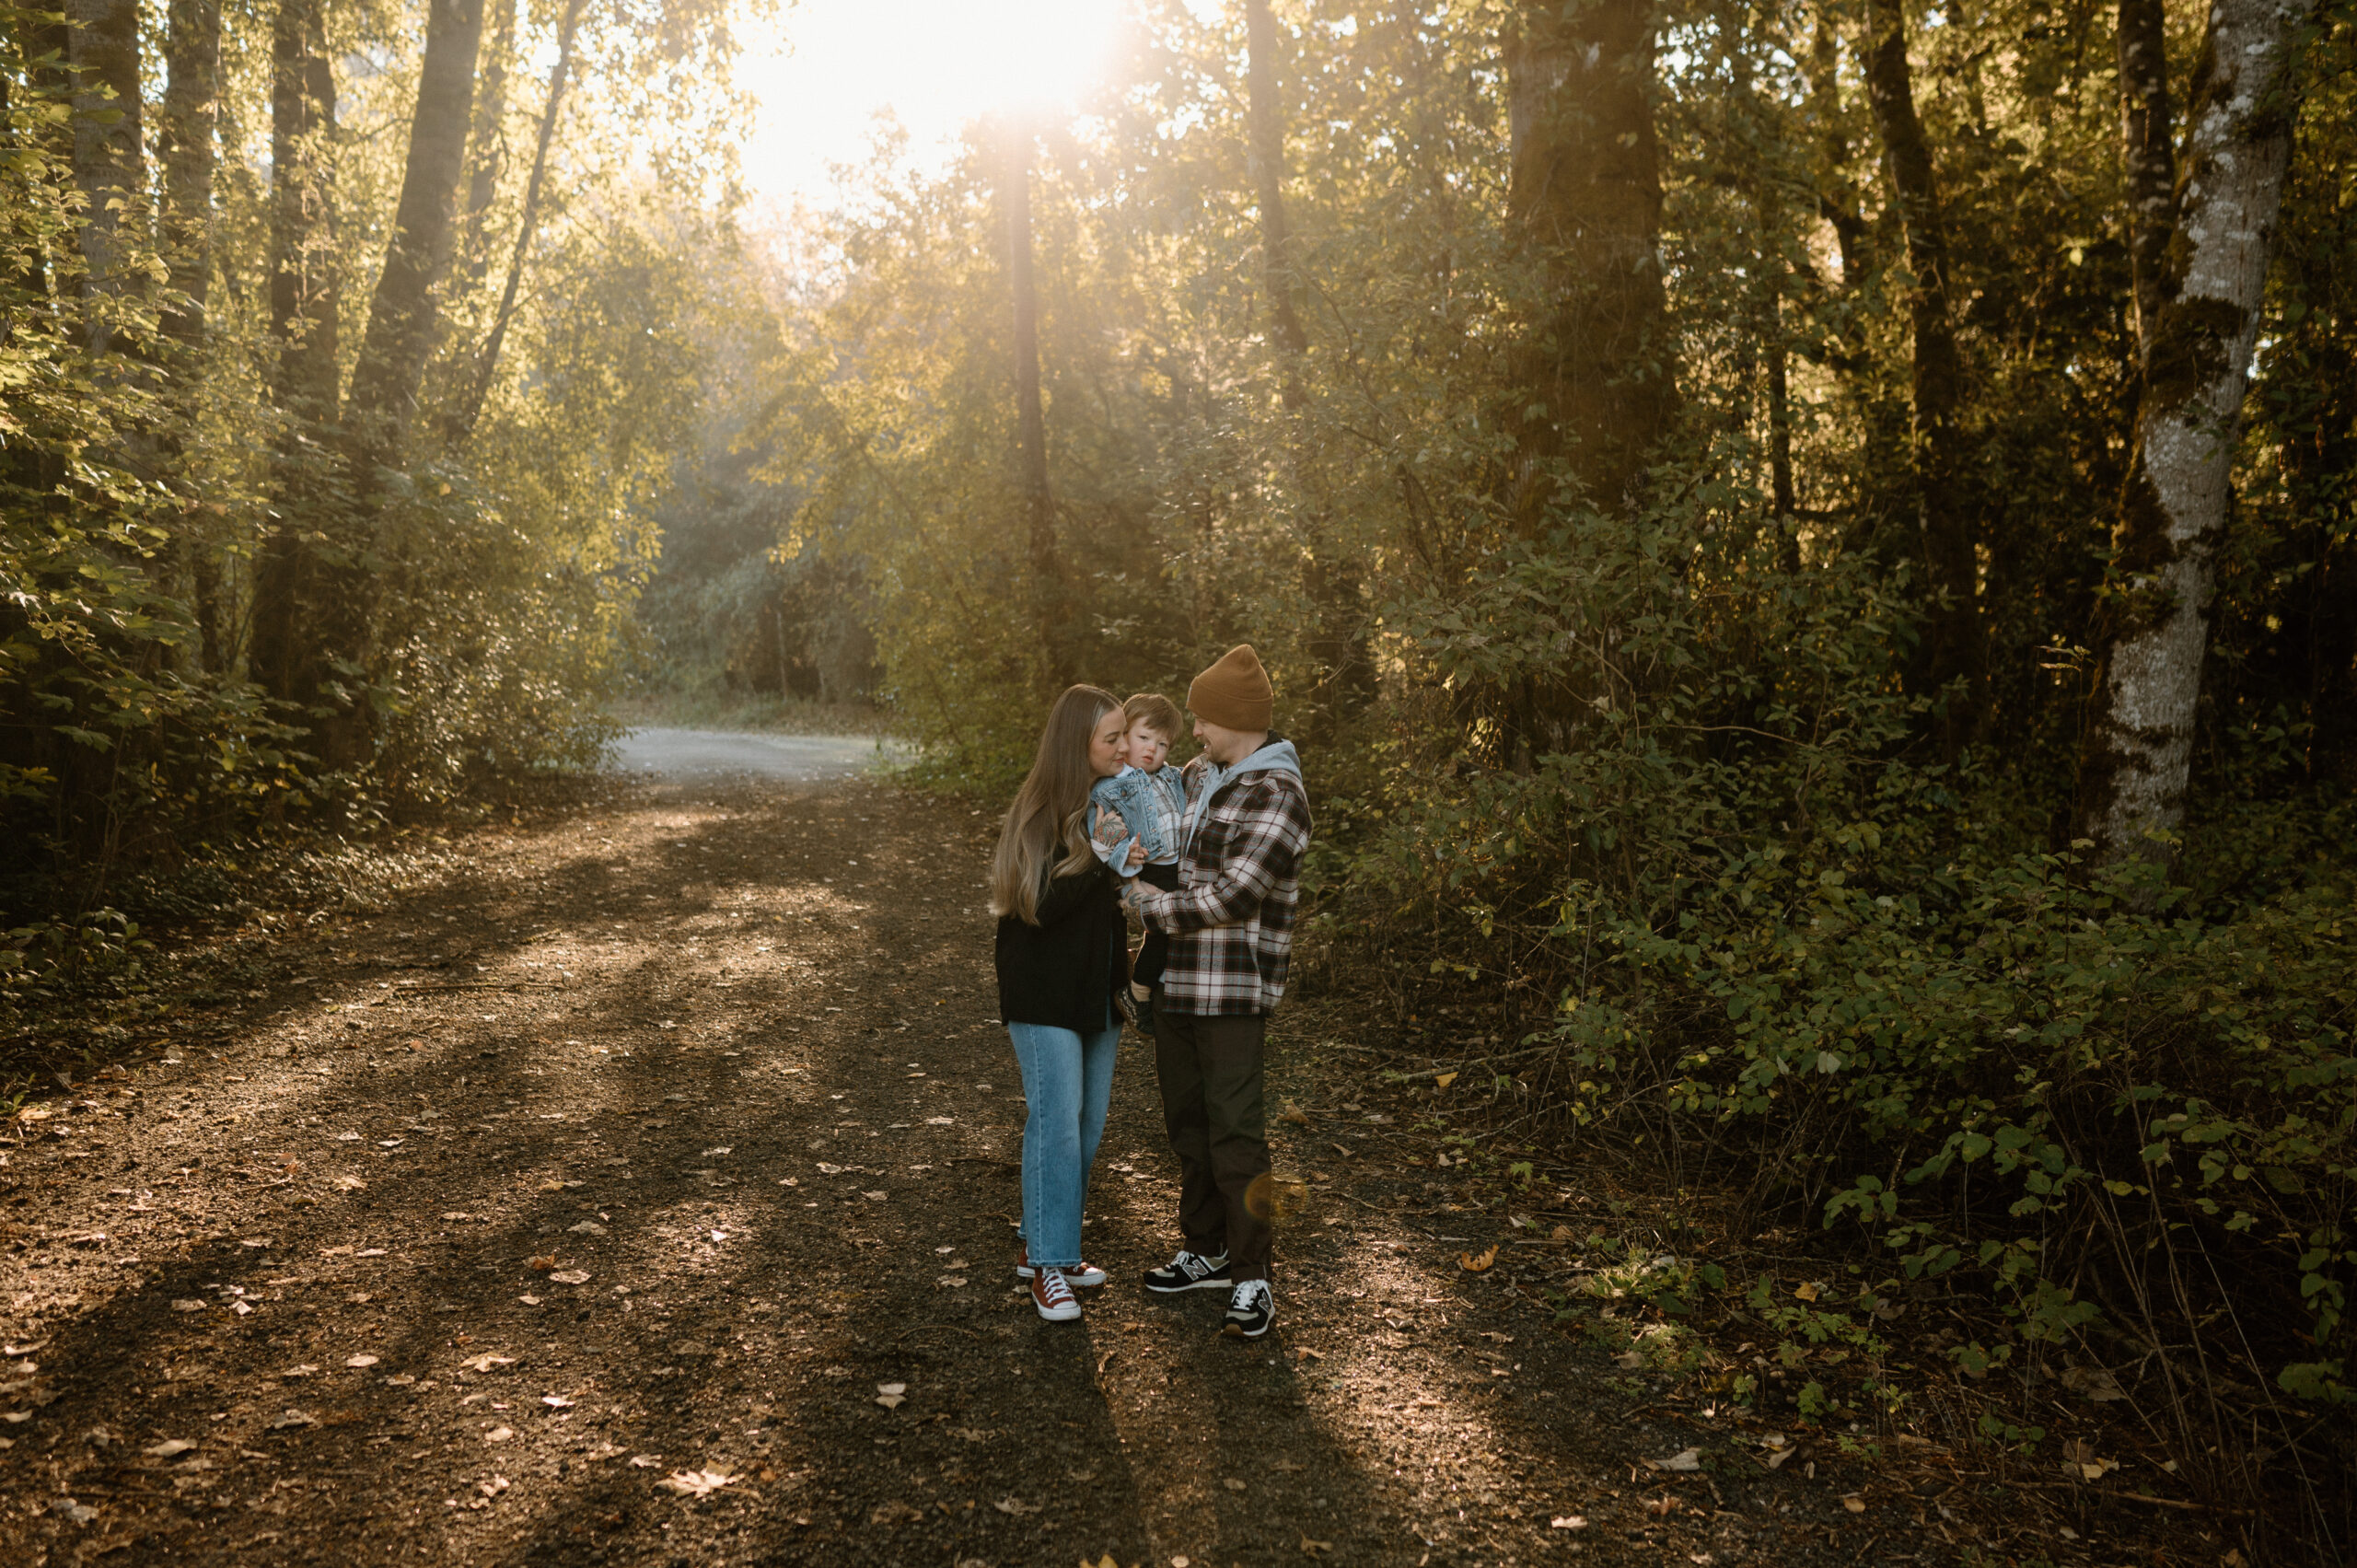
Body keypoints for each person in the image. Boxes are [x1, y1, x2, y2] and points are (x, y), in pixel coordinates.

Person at [1123, 645, 1312, 1339]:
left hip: (1232, 992)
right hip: (1178, 985)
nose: (1194, 731)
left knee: (1237, 1134)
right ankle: (1202, 1249)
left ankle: (1253, 1275)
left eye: (1202, 718)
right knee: (1188, 1124)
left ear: (1234, 719)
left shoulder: (1278, 795)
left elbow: (1235, 893)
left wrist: (1149, 908)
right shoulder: (1203, 775)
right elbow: (1142, 788)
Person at [990, 684, 1133, 1322]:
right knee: (1056, 1122)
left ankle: (1052, 1243)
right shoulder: (1042, 810)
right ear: (1080, 746)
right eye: (1113, 738)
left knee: (1085, 1124)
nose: (1126, 747)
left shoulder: (1114, 804)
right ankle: (1048, 1265)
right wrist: (1100, 859)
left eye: (1127, 734)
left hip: (1096, 993)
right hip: (1043, 993)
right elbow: (1038, 905)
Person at [1086, 692, 1188, 1030]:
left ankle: (1154, 987)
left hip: (1180, 866)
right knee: (1165, 931)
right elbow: (1102, 835)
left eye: (1162, 744)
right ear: (1124, 735)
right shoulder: (1111, 787)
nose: (1151, 749)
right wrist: (1123, 855)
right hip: (1150, 867)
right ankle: (1138, 991)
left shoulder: (1173, 777)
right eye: (1143, 738)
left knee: (1176, 931)